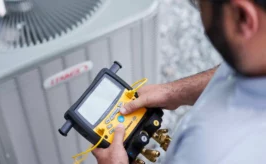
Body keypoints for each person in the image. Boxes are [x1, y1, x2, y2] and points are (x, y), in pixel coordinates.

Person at [93, 0, 266, 163]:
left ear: (242, 17)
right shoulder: (257, 54)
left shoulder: (209, 153)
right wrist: (174, 92)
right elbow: (232, 68)